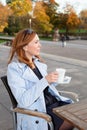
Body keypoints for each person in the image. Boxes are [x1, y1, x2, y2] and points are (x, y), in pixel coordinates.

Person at [7, 29, 74, 130]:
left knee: (81, 113)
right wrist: (45, 80)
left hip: (54, 104)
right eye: (36, 42)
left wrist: (54, 80)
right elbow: (23, 101)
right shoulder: (14, 69)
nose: (40, 45)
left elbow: (44, 88)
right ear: (25, 46)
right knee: (73, 120)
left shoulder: (38, 64)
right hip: (41, 111)